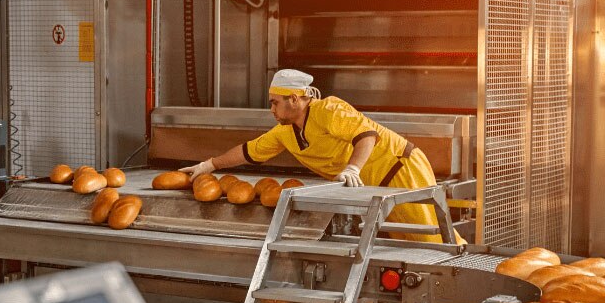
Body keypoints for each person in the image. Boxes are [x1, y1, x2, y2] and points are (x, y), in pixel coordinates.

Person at [180, 69, 456, 243]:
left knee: (429, 239)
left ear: (295, 100)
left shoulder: (329, 109)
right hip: (376, 186)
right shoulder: (284, 132)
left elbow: (367, 136)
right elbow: (248, 152)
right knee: (403, 244)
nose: (272, 110)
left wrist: (352, 169)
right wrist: (209, 165)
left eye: (275, 103)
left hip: (400, 168)